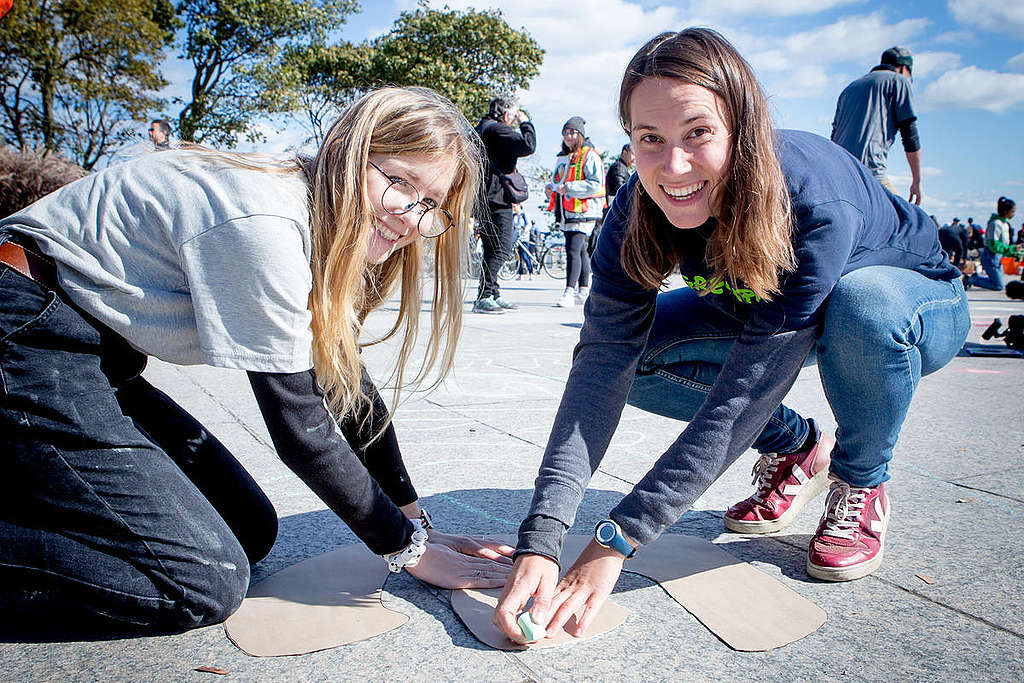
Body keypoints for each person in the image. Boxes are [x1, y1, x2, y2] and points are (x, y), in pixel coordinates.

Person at [495, 29, 967, 644]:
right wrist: (544, 536)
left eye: (698, 133)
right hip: (770, 305)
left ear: (741, 127)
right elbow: (601, 363)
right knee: (634, 356)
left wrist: (618, 537)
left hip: (911, 302)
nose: (675, 167)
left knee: (863, 306)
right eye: (650, 139)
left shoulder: (810, 202)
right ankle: (799, 447)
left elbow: (744, 392)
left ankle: (860, 476)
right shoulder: (634, 208)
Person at [0, 87, 515, 635]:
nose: (410, 216)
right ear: (349, 148)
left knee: (248, 528)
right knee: (200, 581)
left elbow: (345, 387)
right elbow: (300, 425)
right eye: (398, 182)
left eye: (431, 204)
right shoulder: (265, 220)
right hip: (25, 330)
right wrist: (407, 551)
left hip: (94, 357)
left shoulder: (318, 217)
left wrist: (415, 521)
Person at [831, 46, 922, 205]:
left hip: (837, 171)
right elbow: (909, 134)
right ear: (903, 68)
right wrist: (916, 181)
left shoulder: (850, 88)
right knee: (911, 223)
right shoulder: (899, 81)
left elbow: (834, 135)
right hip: (869, 171)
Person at [473, 97, 536, 314]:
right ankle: (484, 296)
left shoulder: (481, 127)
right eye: (514, 115)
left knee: (491, 248)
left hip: (484, 196)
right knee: (502, 247)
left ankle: (491, 292)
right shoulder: (498, 129)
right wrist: (525, 123)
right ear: (507, 115)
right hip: (496, 197)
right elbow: (528, 145)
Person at [546, 116, 606, 308]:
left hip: (584, 210)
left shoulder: (590, 155)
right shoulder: (564, 156)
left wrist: (569, 187)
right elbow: (559, 180)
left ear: (580, 134)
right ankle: (583, 289)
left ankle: (569, 291)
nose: (568, 136)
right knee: (579, 250)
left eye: (572, 132)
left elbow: (596, 184)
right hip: (568, 210)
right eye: (565, 133)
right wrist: (552, 187)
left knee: (572, 248)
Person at [969, 196, 1018, 291]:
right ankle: (972, 279)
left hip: (997, 257)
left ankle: (976, 277)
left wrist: (1013, 250)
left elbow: (1003, 245)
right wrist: (1011, 249)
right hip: (990, 256)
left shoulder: (1005, 224)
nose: (1013, 214)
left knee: (999, 282)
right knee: (998, 286)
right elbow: (993, 245)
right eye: (1012, 211)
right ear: (1005, 211)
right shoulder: (995, 224)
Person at [513, 203, 535, 280]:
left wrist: (526, 228)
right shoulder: (514, 216)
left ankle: (531, 273)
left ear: (519, 206)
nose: (514, 208)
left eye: (515, 207)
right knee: (517, 257)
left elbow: (529, 224)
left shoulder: (524, 215)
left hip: (523, 238)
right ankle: (520, 274)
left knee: (525, 256)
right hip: (516, 238)